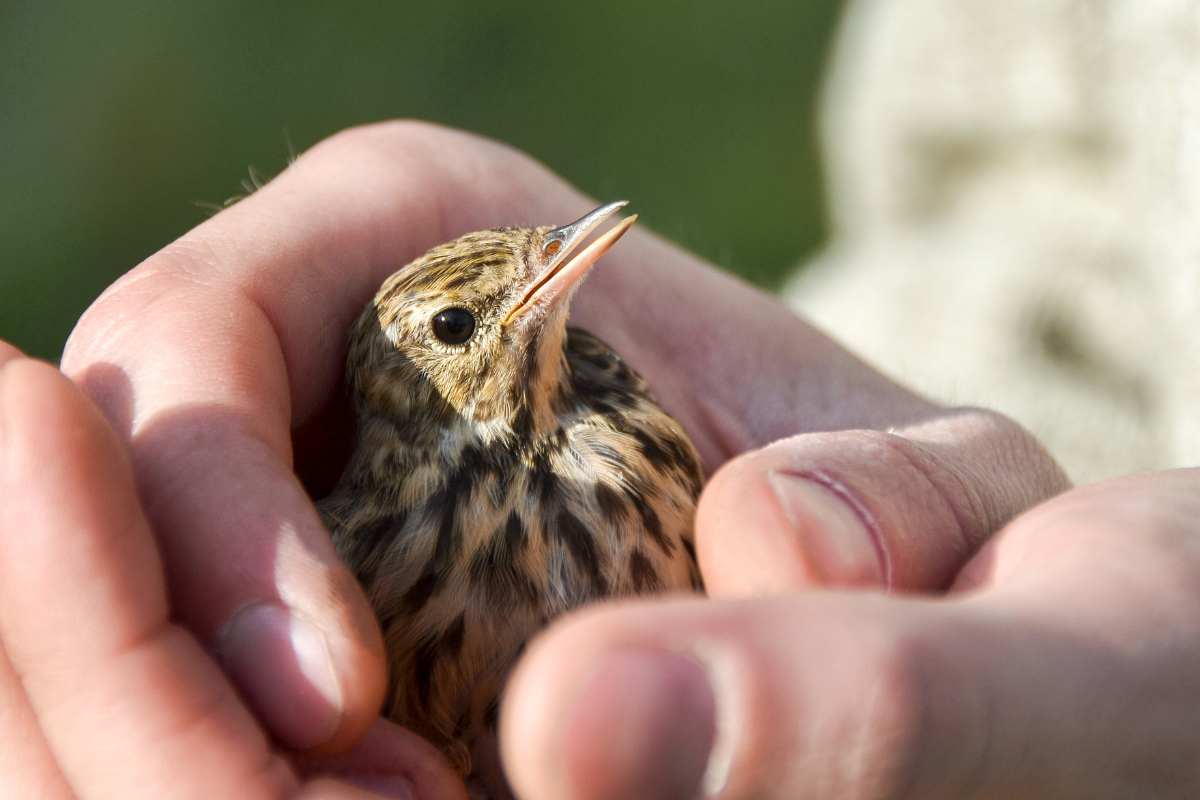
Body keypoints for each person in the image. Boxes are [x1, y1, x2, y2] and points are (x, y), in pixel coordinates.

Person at [1, 122, 1196, 799]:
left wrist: (989, 545)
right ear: (402, 395)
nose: (545, 279)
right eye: (461, 327)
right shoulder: (369, 553)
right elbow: (1033, 192)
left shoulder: (633, 428)